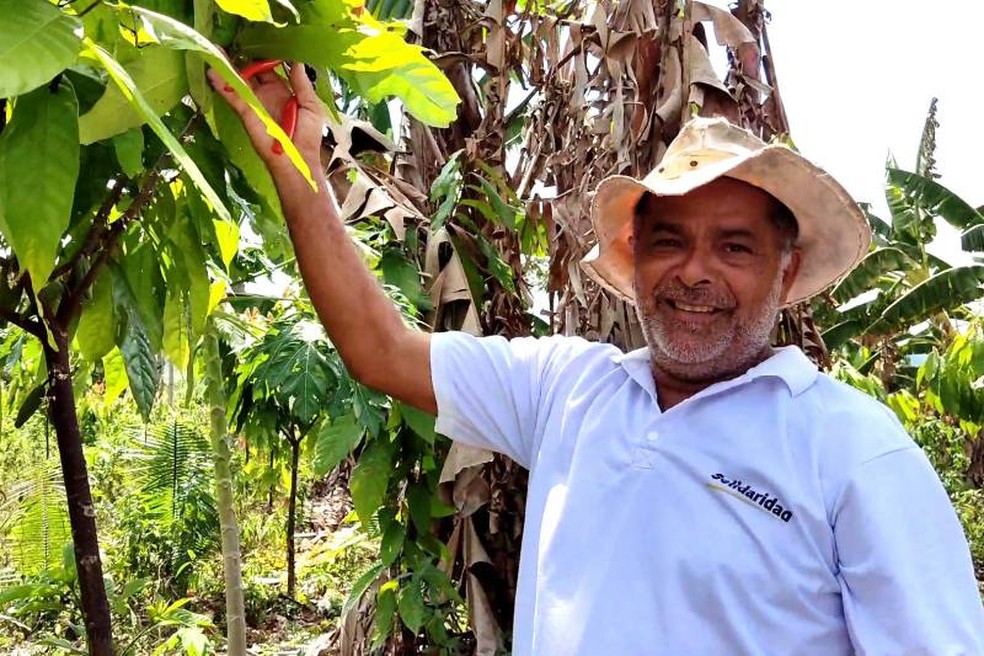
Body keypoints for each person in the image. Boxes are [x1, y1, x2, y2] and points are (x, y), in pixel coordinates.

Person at [209, 64, 984, 654]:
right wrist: (297, 169)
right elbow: (380, 352)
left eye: (735, 248)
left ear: (786, 274)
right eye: (670, 241)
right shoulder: (568, 391)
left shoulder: (852, 450)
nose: (695, 272)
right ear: (634, 256)